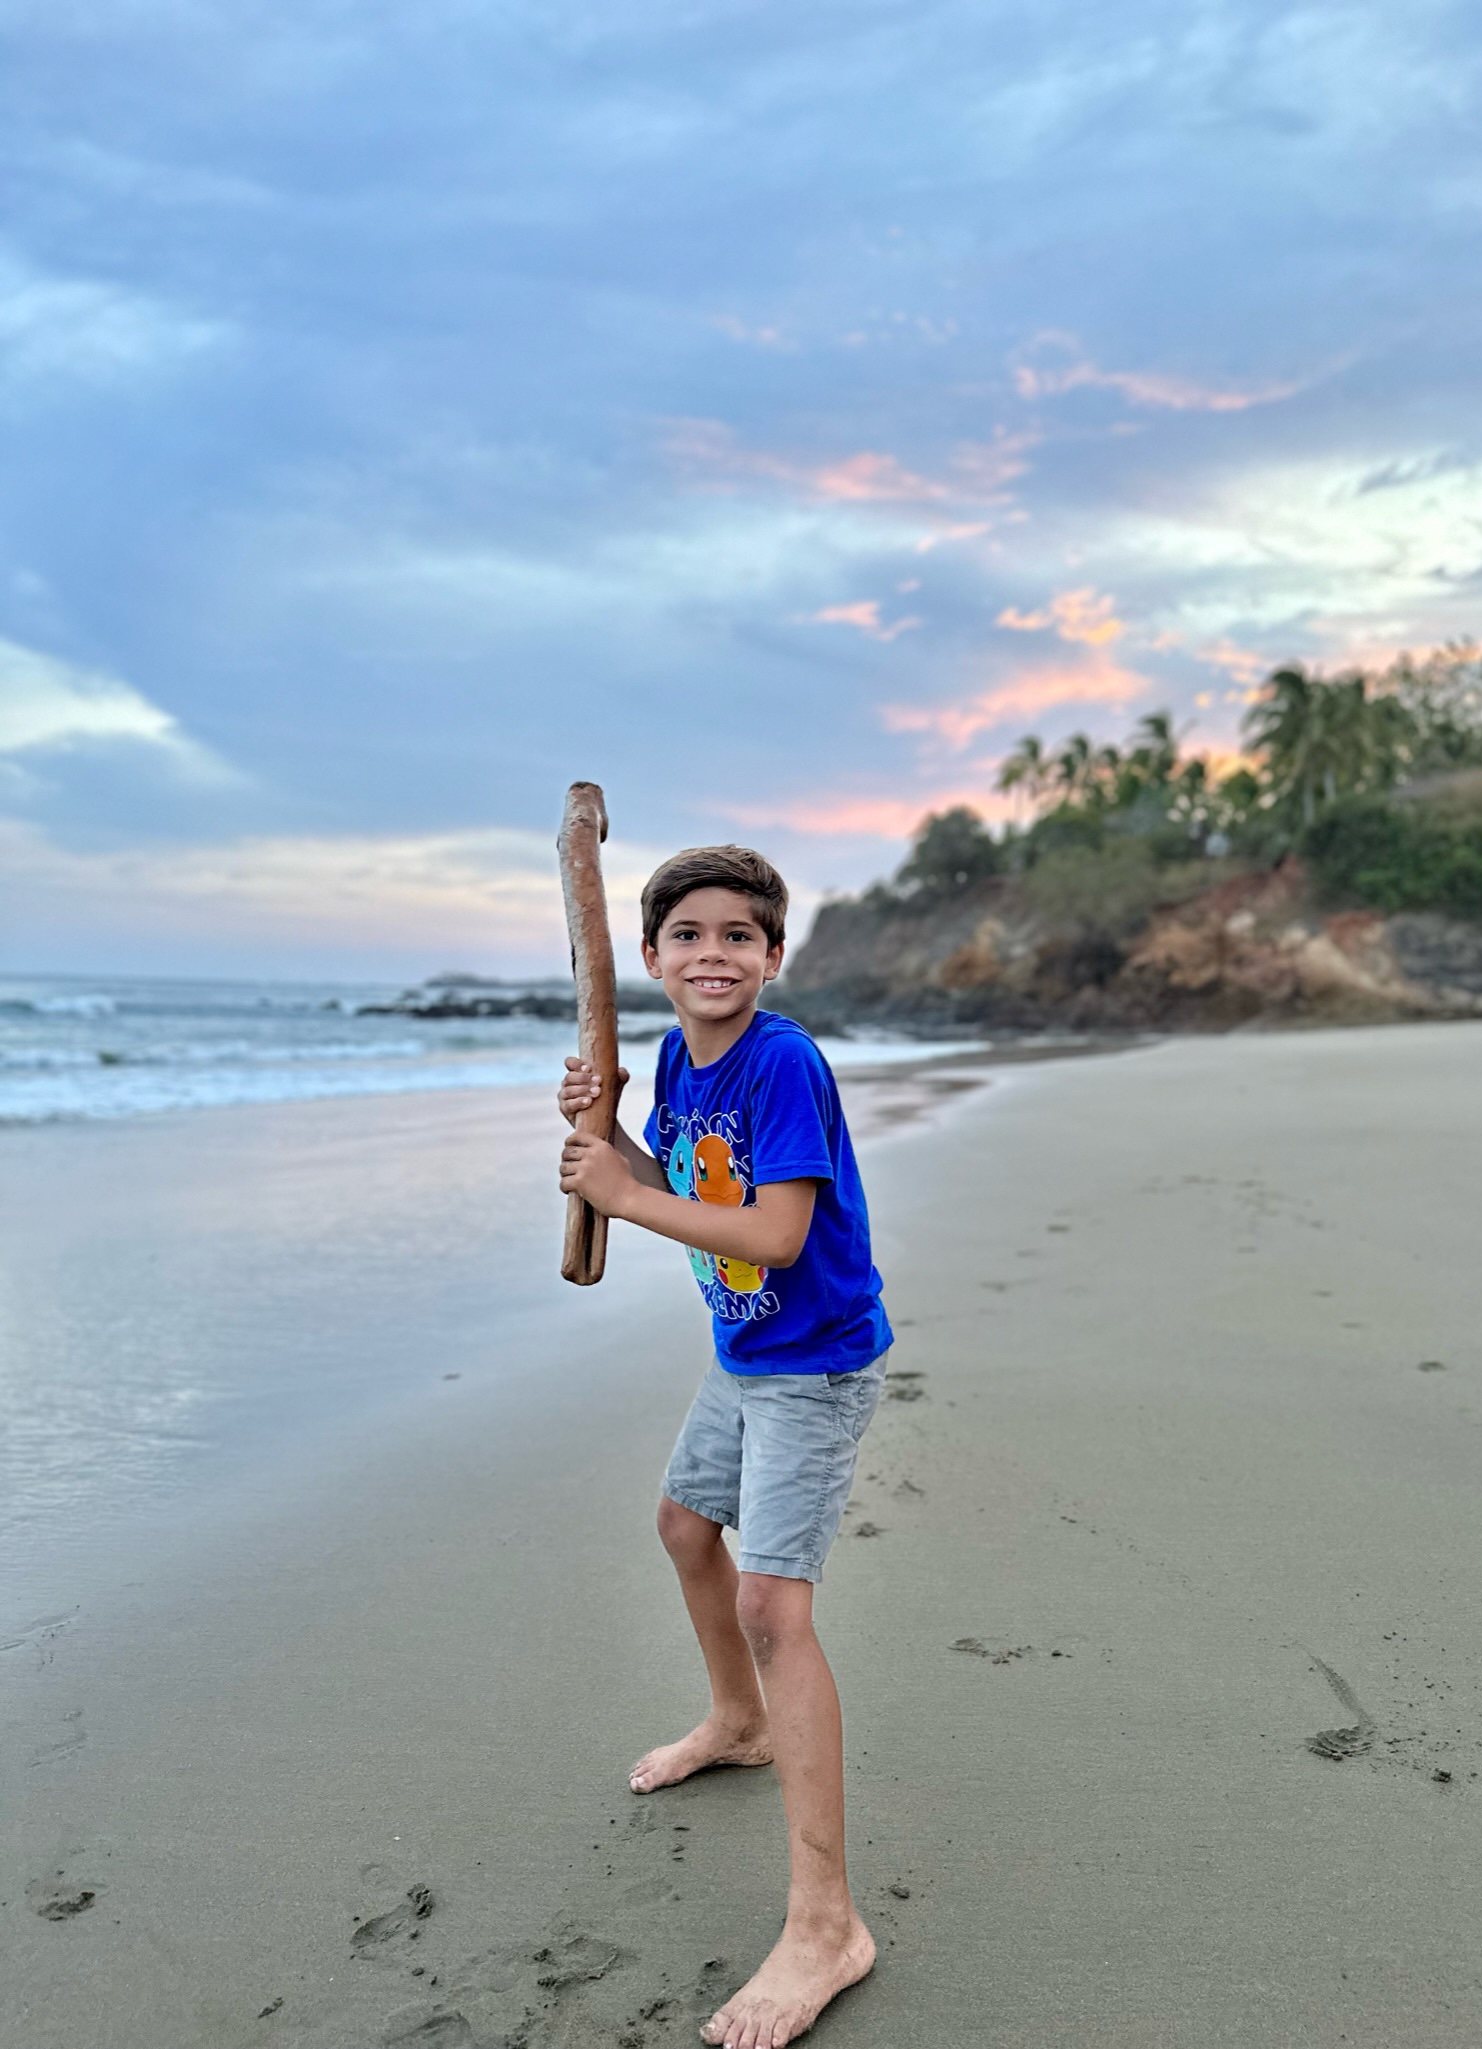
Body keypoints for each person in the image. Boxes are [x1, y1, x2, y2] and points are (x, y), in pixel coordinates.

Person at [558, 843, 893, 2049]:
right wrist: (606, 1144)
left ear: (773, 955)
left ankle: (827, 1926)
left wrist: (621, 1195)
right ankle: (738, 1723)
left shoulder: (782, 1061)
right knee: (684, 1525)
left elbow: (778, 1233)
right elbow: (683, 1187)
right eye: (688, 936)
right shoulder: (669, 1056)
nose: (714, 954)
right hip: (746, 1352)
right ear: (651, 957)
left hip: (815, 1362)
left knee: (774, 1606)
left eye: (738, 936)